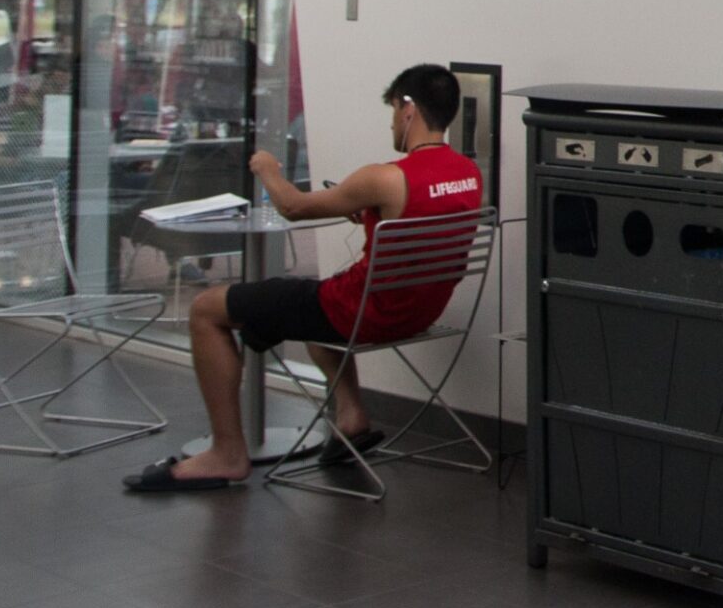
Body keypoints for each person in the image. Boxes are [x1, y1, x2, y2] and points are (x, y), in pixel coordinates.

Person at [122, 64, 484, 493]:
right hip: (416, 313)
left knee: (206, 310)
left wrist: (268, 169)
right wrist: (367, 208)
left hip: (358, 313)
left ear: (407, 110)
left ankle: (227, 453)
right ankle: (351, 417)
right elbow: (415, 221)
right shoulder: (467, 174)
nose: (391, 122)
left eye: (391, 111)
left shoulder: (386, 177)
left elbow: (293, 206)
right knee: (311, 309)